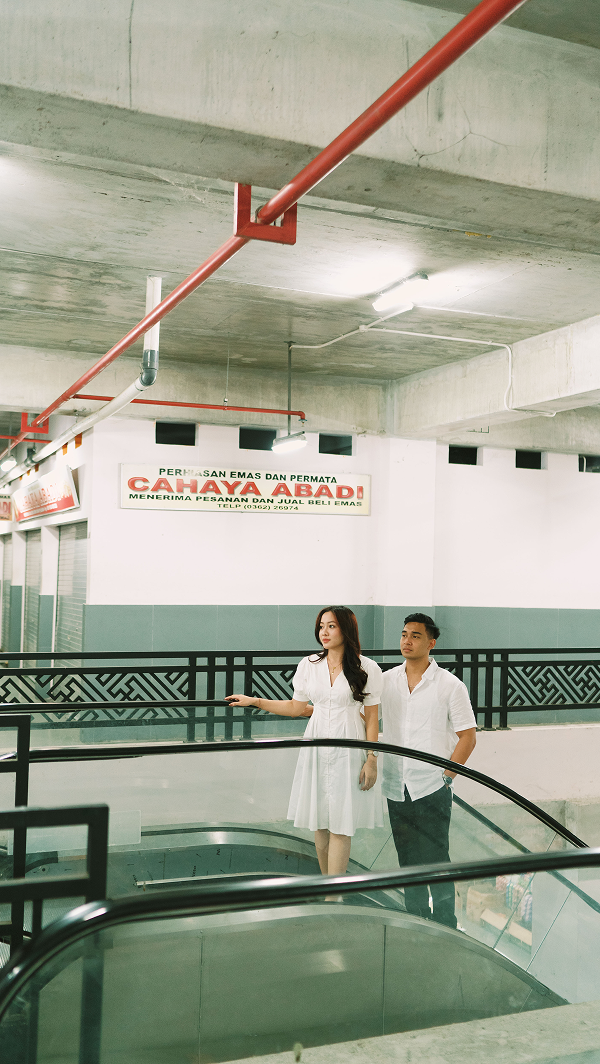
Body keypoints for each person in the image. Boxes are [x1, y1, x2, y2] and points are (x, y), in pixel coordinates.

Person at [226, 606, 383, 875]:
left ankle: (335, 893)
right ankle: (326, 885)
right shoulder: (309, 665)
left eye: (331, 626)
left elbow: (371, 718)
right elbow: (296, 708)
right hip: (316, 741)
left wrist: (372, 758)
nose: (324, 632)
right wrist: (256, 701)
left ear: (347, 629)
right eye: (321, 626)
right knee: (320, 820)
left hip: (350, 742)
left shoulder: (367, 667)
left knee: (341, 823)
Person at [381, 613, 476, 928]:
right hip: (396, 785)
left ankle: (446, 923)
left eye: (416, 636)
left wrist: (446, 777)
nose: (407, 641)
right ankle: (416, 920)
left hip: (431, 787)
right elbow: (356, 710)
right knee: (407, 859)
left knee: (436, 860)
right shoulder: (387, 681)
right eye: (404, 634)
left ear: (431, 643)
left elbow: (468, 737)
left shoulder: (450, 685)